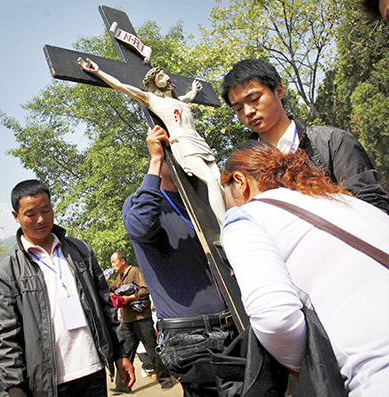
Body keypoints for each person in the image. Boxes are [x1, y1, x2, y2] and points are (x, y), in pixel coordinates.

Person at [220, 140, 389, 396]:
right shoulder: (343, 199)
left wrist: (303, 370)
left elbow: (275, 317)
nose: (229, 205)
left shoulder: (245, 216)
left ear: (240, 182)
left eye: (227, 196)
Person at [0, 180, 135, 397]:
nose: (41, 219)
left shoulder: (80, 251)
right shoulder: (4, 271)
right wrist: (16, 388)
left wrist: (120, 352)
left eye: (46, 210)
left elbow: (106, 307)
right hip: (48, 383)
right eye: (30, 214)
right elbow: (7, 336)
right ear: (15, 216)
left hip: (92, 369)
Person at [122, 125, 237, 397]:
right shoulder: (141, 203)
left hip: (233, 324)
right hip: (191, 335)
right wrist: (155, 161)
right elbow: (140, 228)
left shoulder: (206, 198)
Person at [221, 58, 389, 214]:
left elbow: (372, 206)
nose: (248, 111)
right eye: (238, 108)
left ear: (279, 91)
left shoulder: (334, 142)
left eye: (254, 99)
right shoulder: (241, 166)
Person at [77, 58, 226, 226]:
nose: (166, 77)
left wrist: (193, 90)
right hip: (183, 143)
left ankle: (234, 220)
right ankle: (225, 226)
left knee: (221, 183)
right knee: (211, 181)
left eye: (165, 74)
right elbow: (120, 85)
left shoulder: (178, 100)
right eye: (160, 77)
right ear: (154, 84)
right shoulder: (152, 100)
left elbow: (189, 97)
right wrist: (97, 71)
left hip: (199, 141)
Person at [108, 251, 173, 392]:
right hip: (127, 320)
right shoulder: (119, 277)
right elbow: (111, 289)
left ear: (122, 261)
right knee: (126, 352)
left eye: (114, 261)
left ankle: (165, 379)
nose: (112, 265)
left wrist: (130, 298)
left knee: (151, 349)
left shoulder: (135, 272)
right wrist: (105, 280)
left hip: (141, 318)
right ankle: (122, 385)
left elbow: (146, 289)